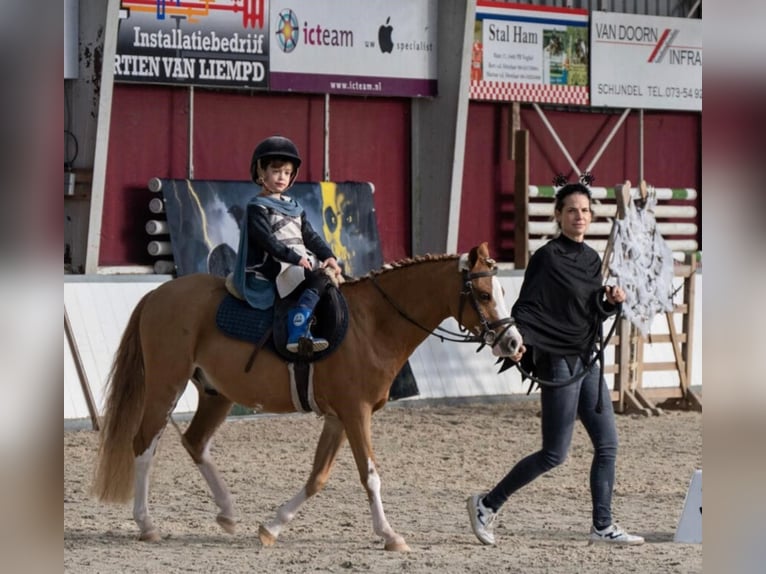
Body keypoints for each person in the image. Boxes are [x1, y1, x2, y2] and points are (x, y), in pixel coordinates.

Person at [466, 182, 644, 546]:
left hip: (586, 358)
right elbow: (528, 308)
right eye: (571, 210)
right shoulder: (546, 257)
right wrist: (520, 343)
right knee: (554, 453)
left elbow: (590, 312)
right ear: (559, 216)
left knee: (608, 444)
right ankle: (486, 504)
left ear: (591, 216)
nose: (579, 216)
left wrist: (610, 302)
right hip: (557, 362)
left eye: (584, 211)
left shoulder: (593, 260)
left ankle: (602, 525)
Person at [232, 135, 342, 353]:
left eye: (287, 173)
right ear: (261, 172)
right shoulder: (257, 208)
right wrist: (295, 258)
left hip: (299, 261)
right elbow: (269, 243)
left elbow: (310, 236)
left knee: (331, 278)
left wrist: (328, 255)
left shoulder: (295, 206)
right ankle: (297, 327)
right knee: (318, 277)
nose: (281, 177)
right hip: (274, 265)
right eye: (275, 171)